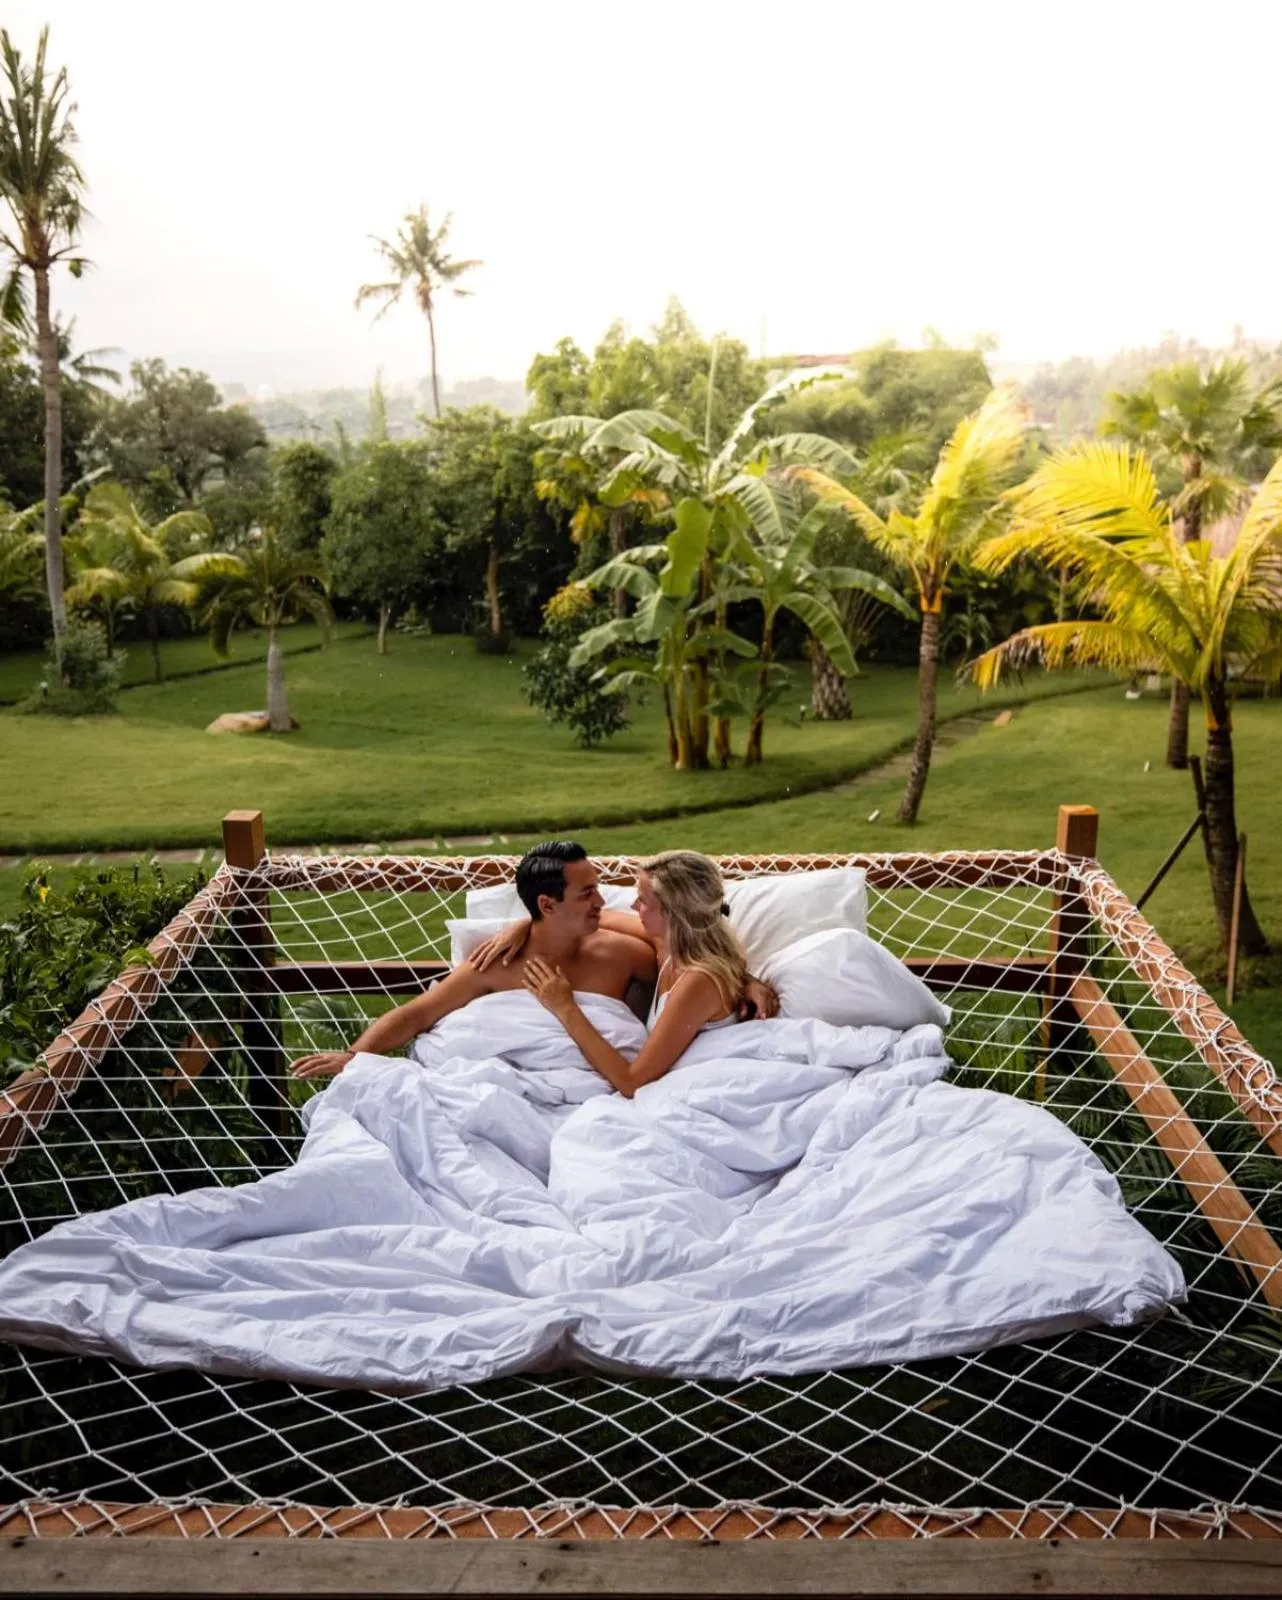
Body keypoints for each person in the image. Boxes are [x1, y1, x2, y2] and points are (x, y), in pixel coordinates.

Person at [288, 842, 774, 1082]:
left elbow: (695, 955)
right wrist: (357, 1057)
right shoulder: (498, 962)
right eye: (588, 894)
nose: (608, 902)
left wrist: (743, 978)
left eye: (603, 890)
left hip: (606, 1092)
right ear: (546, 906)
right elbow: (418, 1013)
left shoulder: (628, 949)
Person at [480, 849, 760, 1100]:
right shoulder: (667, 948)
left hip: (697, 1092)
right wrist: (526, 923)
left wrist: (565, 1007)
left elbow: (631, 1082)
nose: (633, 907)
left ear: (672, 912)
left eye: (642, 900)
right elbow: (595, 918)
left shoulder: (697, 981)